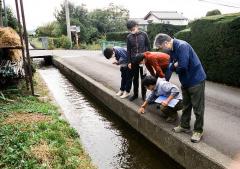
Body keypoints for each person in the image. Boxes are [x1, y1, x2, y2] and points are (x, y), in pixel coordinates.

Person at [154, 33, 206, 143]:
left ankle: (198, 130)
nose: (162, 50)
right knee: (186, 105)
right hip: (185, 81)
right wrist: (174, 66)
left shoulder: (182, 46)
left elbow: (182, 66)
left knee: (198, 108)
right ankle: (184, 125)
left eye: (161, 48)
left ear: (166, 43)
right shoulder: (172, 49)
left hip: (196, 80)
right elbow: (170, 65)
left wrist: (174, 66)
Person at [126, 20, 150, 101]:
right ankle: (135, 94)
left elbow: (148, 47)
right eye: (130, 30)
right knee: (134, 78)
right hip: (133, 61)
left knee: (144, 79)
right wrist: (129, 62)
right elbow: (128, 50)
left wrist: (146, 58)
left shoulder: (144, 34)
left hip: (143, 61)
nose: (132, 31)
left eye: (133, 29)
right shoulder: (129, 37)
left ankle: (144, 95)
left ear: (137, 26)